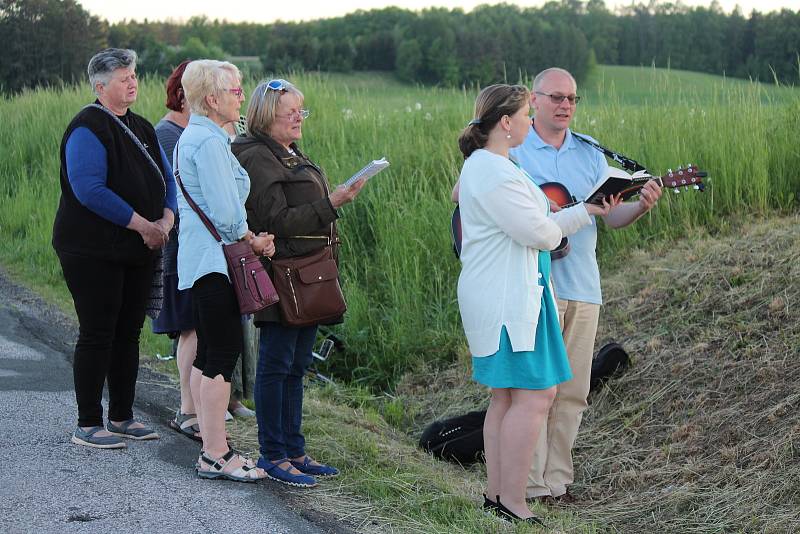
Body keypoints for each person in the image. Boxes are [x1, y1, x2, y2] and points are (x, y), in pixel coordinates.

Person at [455, 84, 617, 523]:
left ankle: (496, 497)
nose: (531, 120)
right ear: (505, 123)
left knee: (507, 397)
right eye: (526, 114)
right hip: (508, 301)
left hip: (514, 295)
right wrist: (575, 216)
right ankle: (514, 500)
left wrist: (590, 209)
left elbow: (542, 221)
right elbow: (542, 234)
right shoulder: (493, 171)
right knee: (534, 396)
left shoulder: (494, 166)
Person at [509, 68, 662, 503]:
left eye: (572, 98)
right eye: (556, 97)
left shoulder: (591, 153)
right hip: (535, 284)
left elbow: (608, 216)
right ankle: (529, 484)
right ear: (534, 100)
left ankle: (557, 483)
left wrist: (639, 208)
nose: (565, 105)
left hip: (583, 285)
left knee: (573, 392)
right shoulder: (514, 150)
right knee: (538, 390)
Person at [232, 78, 365, 487]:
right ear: (264, 114)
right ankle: (273, 454)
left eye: (300, 110)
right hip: (282, 274)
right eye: (288, 111)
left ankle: (295, 449)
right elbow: (275, 221)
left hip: (309, 273)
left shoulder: (287, 151)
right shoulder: (255, 154)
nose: (297, 117)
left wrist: (328, 204)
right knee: (276, 365)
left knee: (297, 365)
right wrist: (332, 204)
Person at [53, 48, 177, 449]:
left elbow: (166, 180)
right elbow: (88, 188)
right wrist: (144, 225)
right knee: (97, 332)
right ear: (100, 86)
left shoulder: (140, 126)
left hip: (138, 247)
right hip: (92, 250)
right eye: (124, 77)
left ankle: (122, 416)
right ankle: (88, 423)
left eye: (134, 75)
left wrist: (166, 220)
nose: (133, 82)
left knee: (128, 333)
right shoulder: (88, 126)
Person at [176, 59, 275, 481]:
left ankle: (211, 444)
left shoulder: (199, 135)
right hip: (216, 261)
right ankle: (216, 452)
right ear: (212, 99)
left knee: (208, 353)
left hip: (201, 259)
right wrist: (252, 239)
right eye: (235, 91)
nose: (241, 96)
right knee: (221, 352)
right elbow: (226, 213)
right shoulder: (209, 143)